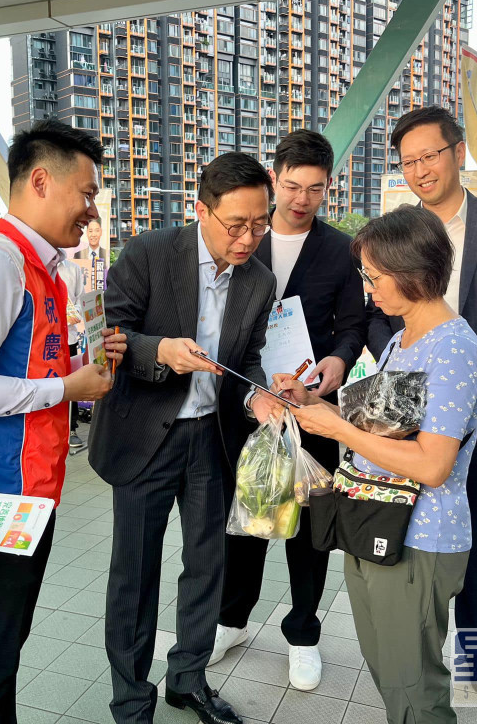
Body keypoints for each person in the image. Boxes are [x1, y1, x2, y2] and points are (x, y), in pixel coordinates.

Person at [0, 119, 126, 724]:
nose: (91, 212)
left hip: (26, 494)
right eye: (86, 193)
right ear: (41, 181)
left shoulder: (38, 266)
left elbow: (22, 364)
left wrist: (75, 366)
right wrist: (66, 386)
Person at [89, 152, 282, 724]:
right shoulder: (150, 254)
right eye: (237, 225)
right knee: (136, 572)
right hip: (148, 434)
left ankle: (188, 679)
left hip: (211, 441)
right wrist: (161, 352)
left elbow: (245, 361)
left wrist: (258, 396)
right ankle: (130, 698)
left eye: (261, 223)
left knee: (207, 565)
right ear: (201, 210)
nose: (249, 238)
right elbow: (114, 335)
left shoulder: (259, 280)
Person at [277, 204, 477, 724]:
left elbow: (433, 465)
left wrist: (340, 430)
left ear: (413, 273)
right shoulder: (401, 337)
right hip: (377, 522)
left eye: (373, 277)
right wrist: (312, 404)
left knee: (414, 682)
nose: (368, 290)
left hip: (420, 537)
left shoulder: (454, 350)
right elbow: (378, 424)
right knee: (388, 667)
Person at [366, 106, 477, 646]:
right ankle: (421, 646)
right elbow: (375, 314)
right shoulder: (401, 231)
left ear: (457, 152)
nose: (421, 170)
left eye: (430, 156)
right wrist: (403, 366)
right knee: (413, 530)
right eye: (408, 162)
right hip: (409, 415)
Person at [211, 130, 365, 690]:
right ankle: (232, 618)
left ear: (329, 188)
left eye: (316, 189)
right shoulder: (244, 239)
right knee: (244, 521)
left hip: (311, 407)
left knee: (309, 528)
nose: (302, 199)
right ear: (275, 179)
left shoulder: (341, 250)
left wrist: (338, 362)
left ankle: (303, 633)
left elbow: (352, 325)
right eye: (293, 186)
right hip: (247, 405)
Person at [58, 256, 87, 448]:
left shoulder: (72, 269)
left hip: (67, 337)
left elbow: (80, 299)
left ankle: (71, 428)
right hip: (40, 339)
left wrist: (73, 313)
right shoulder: (31, 264)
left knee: (71, 382)